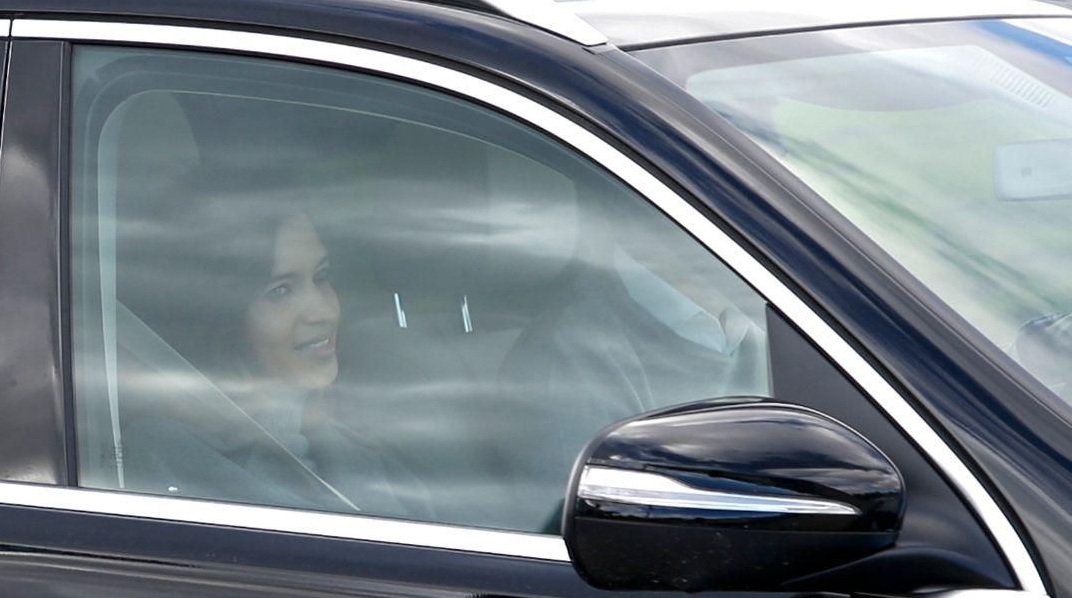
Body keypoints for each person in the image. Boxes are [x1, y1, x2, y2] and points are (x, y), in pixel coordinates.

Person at [115, 164, 431, 520]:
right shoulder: (163, 458)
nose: (323, 311)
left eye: (322, 276)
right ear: (217, 317)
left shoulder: (355, 448)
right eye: (280, 290)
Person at [498, 196, 768, 530]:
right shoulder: (570, 358)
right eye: (736, 198)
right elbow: (603, 544)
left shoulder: (783, 316)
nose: (765, 221)